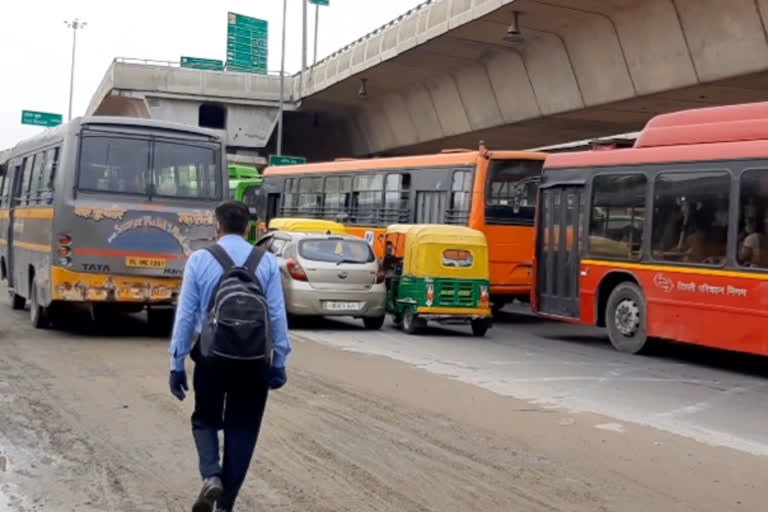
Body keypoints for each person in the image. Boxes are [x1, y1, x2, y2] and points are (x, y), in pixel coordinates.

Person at [168, 201, 292, 512]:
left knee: (205, 419)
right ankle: (225, 505)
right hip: (254, 361)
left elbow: (185, 316)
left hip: (211, 358)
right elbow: (277, 315)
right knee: (244, 429)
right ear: (248, 228)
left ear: (217, 227)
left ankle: (211, 476)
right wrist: (279, 361)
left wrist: (176, 363)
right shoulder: (266, 262)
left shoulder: (200, 260)